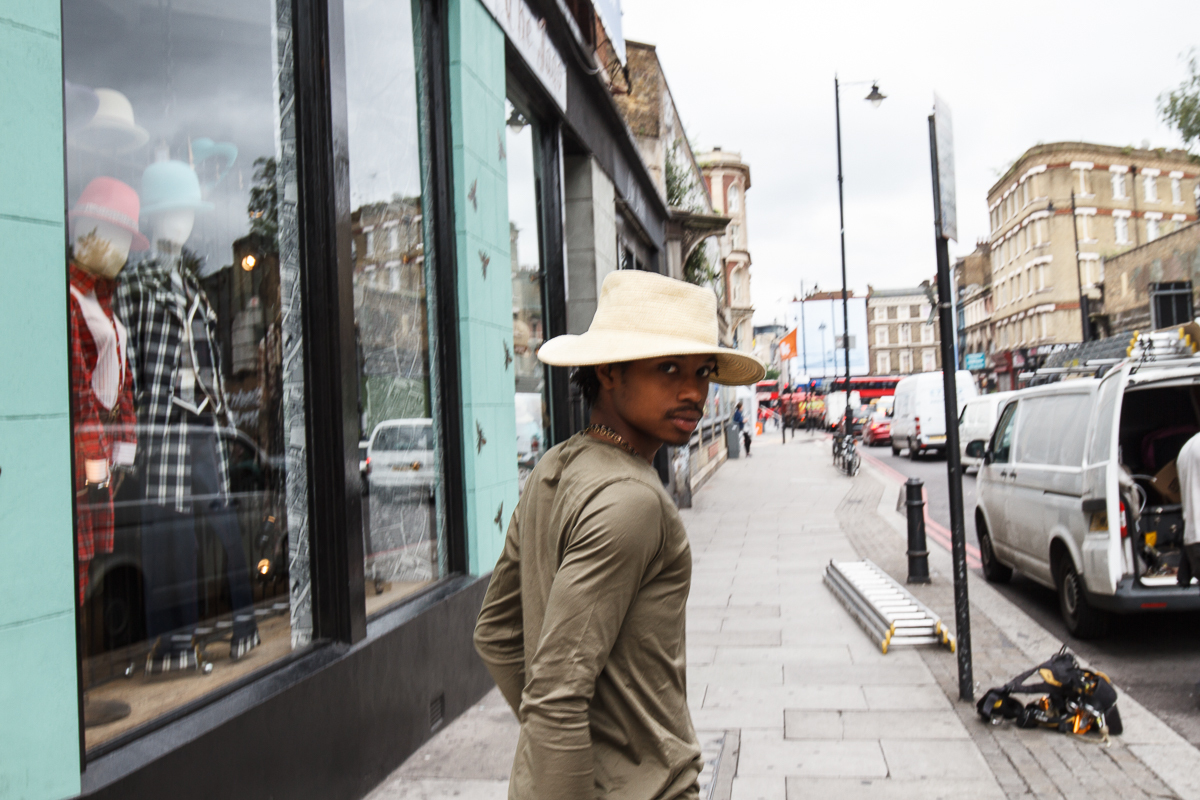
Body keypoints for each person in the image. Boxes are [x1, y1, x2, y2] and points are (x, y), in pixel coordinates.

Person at [474, 270, 765, 800]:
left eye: (703, 371)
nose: (693, 391)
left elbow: (497, 634)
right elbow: (555, 696)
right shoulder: (633, 500)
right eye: (669, 368)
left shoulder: (553, 467)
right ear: (608, 371)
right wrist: (586, 759)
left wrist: (567, 749)